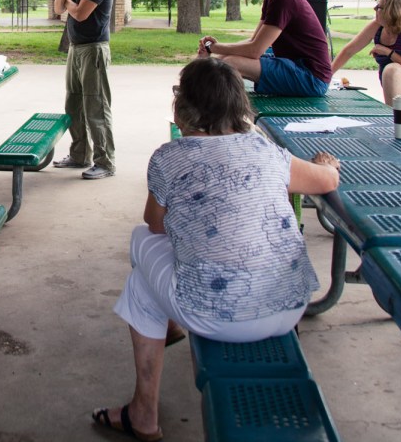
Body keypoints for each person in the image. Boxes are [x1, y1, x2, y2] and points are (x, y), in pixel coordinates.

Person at [92, 58, 340, 441]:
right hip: (289, 306)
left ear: (182, 106)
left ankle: (144, 411)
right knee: (147, 277)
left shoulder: (168, 156)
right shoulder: (266, 150)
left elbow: (155, 224)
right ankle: (154, 369)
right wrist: (327, 164)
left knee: (141, 248)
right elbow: (326, 181)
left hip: (213, 315)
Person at [198, 0, 331, 97]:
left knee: (229, 64)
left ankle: (200, 99)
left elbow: (255, 50)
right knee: (222, 59)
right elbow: (253, 41)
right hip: (296, 66)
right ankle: (195, 93)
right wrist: (215, 50)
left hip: (312, 78)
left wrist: (213, 48)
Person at [52, 0, 116, 180]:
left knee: (96, 107)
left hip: (94, 49)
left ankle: (105, 162)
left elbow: (79, 14)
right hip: (76, 48)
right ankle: (80, 155)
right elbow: (58, 8)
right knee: (74, 105)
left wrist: (68, 0)